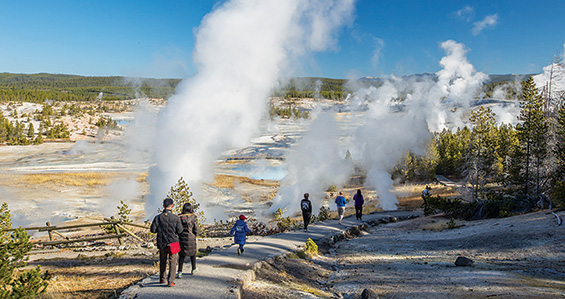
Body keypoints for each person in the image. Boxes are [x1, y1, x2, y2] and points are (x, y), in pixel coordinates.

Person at [150, 198, 183, 287]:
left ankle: (162, 279)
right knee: (173, 261)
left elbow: (152, 230)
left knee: (163, 261)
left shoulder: (157, 218)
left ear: (163, 206)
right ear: (172, 206)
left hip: (162, 243)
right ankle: (170, 281)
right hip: (173, 243)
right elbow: (180, 231)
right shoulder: (176, 218)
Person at [177, 203, 199, 278]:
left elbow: (178, 229)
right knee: (193, 254)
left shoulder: (179, 217)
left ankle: (180, 271)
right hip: (191, 238)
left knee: (182, 255)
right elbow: (196, 229)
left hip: (182, 238)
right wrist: (195, 234)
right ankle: (193, 269)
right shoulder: (193, 217)